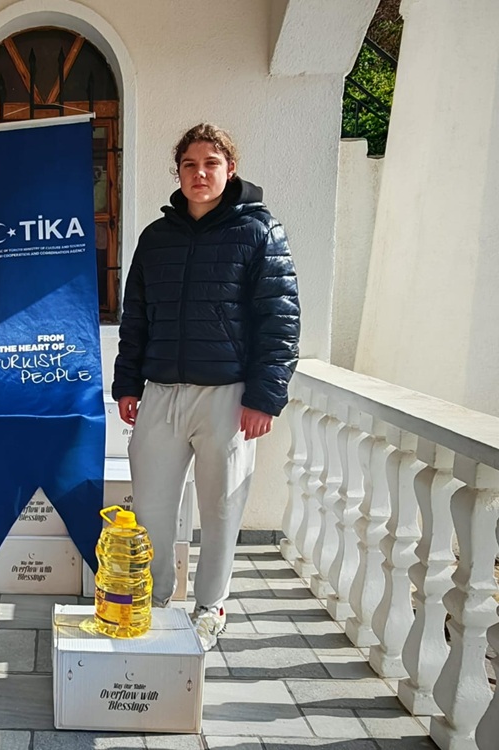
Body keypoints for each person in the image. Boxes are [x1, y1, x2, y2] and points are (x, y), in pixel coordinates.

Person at [112, 123, 300, 650]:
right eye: (190, 165)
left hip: (228, 396)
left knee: (220, 510)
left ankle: (210, 606)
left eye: (211, 163)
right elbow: (136, 318)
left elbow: (280, 320)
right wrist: (127, 383)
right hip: (161, 393)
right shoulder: (156, 238)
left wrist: (265, 397)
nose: (200, 174)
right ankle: (153, 599)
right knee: (151, 509)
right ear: (178, 172)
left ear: (230, 170)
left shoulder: (259, 232)